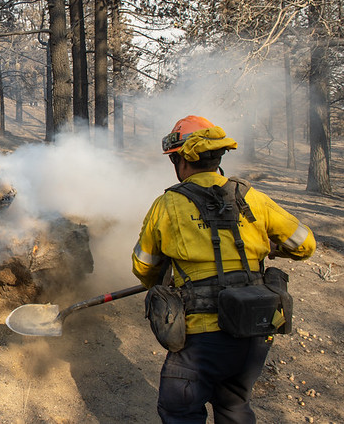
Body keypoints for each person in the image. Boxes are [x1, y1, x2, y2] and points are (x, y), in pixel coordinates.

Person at [132, 115, 316, 423]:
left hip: (202, 339)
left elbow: (143, 266)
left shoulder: (168, 205)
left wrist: (160, 280)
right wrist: (274, 248)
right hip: (254, 331)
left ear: (182, 161)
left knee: (179, 411)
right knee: (233, 406)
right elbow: (305, 243)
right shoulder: (251, 197)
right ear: (217, 158)